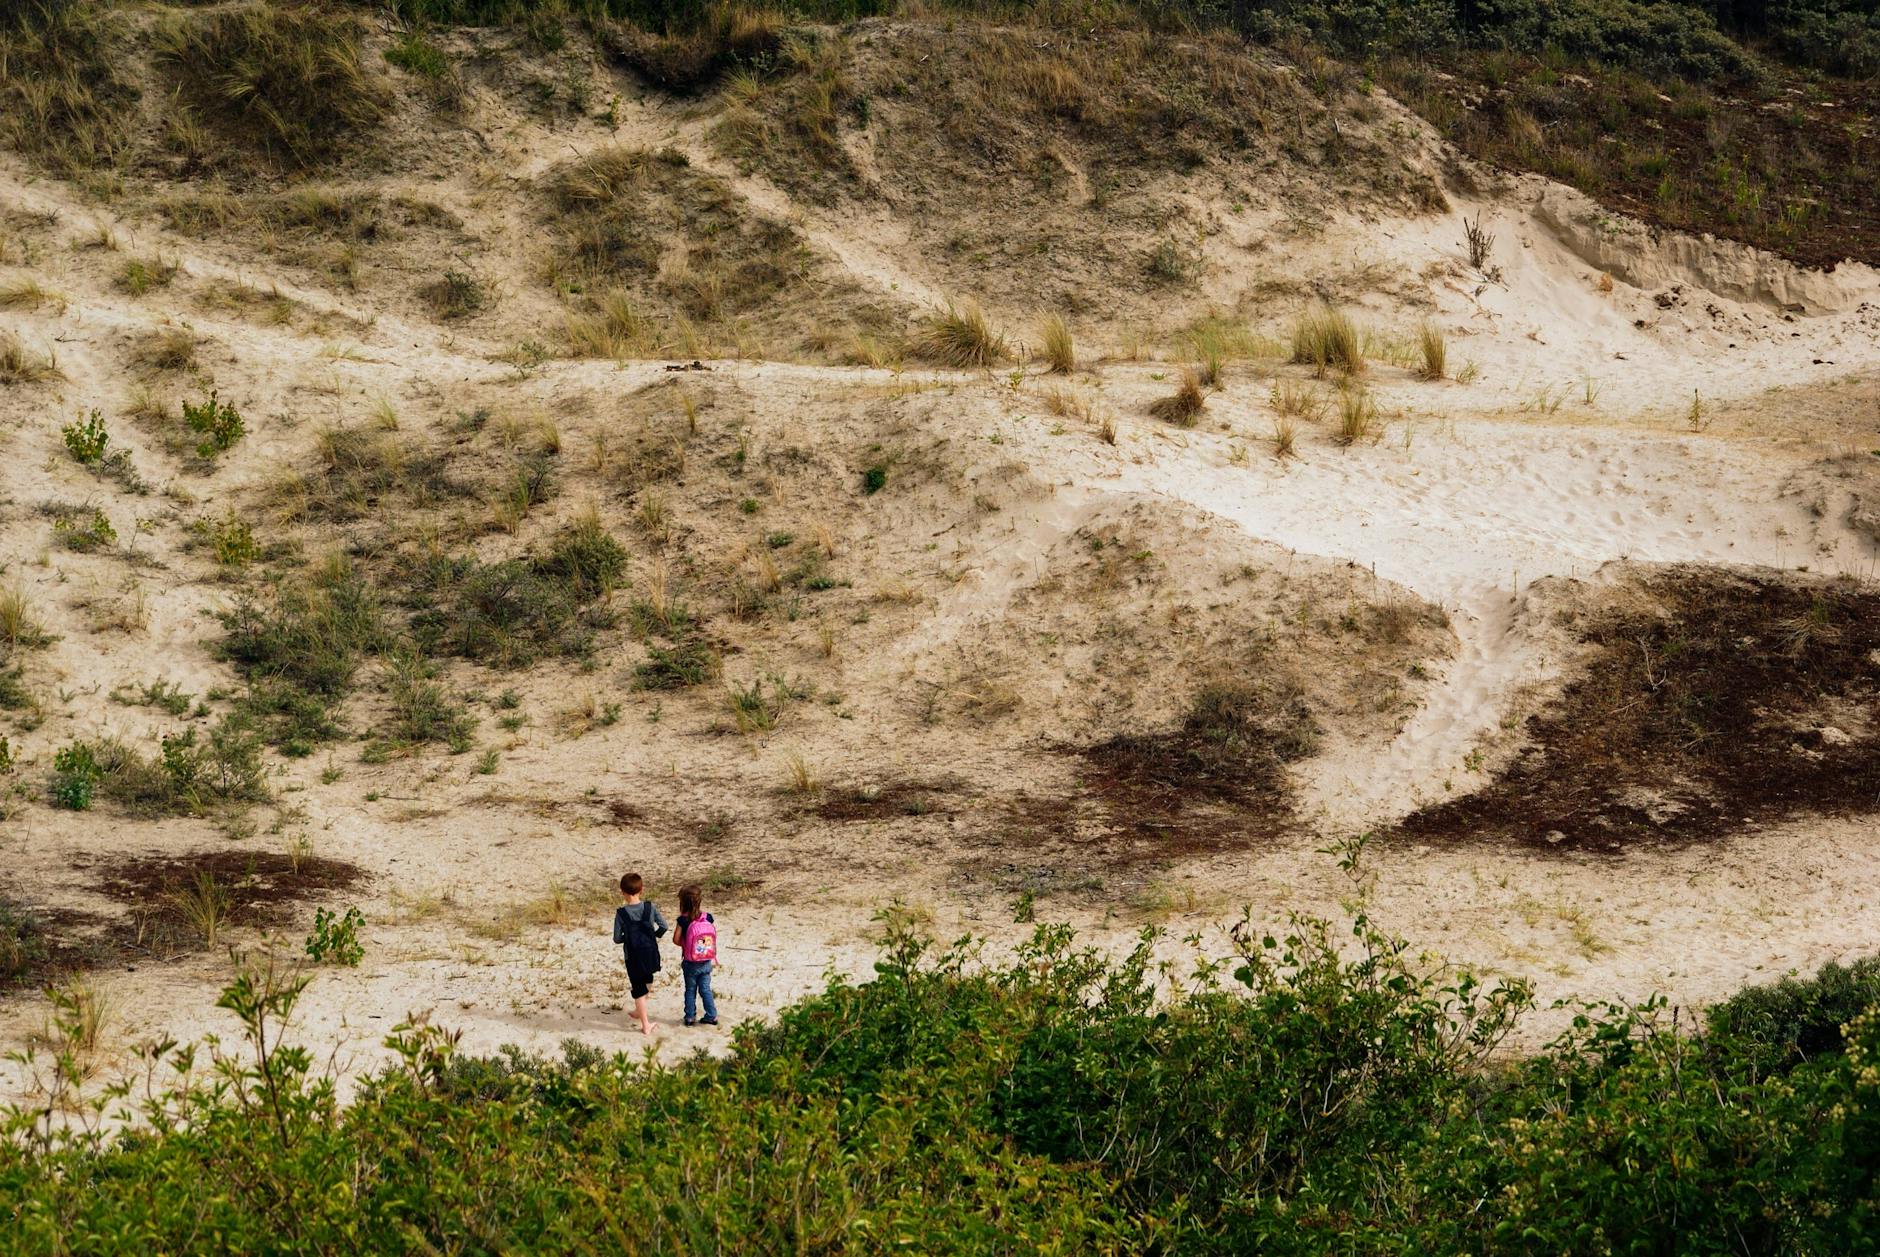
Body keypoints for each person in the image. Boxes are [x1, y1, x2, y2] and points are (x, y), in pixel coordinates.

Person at [612, 873, 667, 1036]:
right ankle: (639, 1009)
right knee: (648, 979)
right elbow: (664, 926)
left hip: (632, 956)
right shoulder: (650, 907)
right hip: (650, 952)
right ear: (641, 889)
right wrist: (653, 936)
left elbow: (616, 938)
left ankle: (645, 1025)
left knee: (638, 989)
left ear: (622, 892)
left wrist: (628, 938)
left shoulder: (621, 913)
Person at [673, 883, 718, 1027]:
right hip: (706, 961)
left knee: (690, 990)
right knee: (705, 989)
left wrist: (686, 945)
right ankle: (711, 1015)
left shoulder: (682, 920)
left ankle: (690, 1017)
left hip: (690, 963)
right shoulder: (708, 917)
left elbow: (675, 939)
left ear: (682, 902)